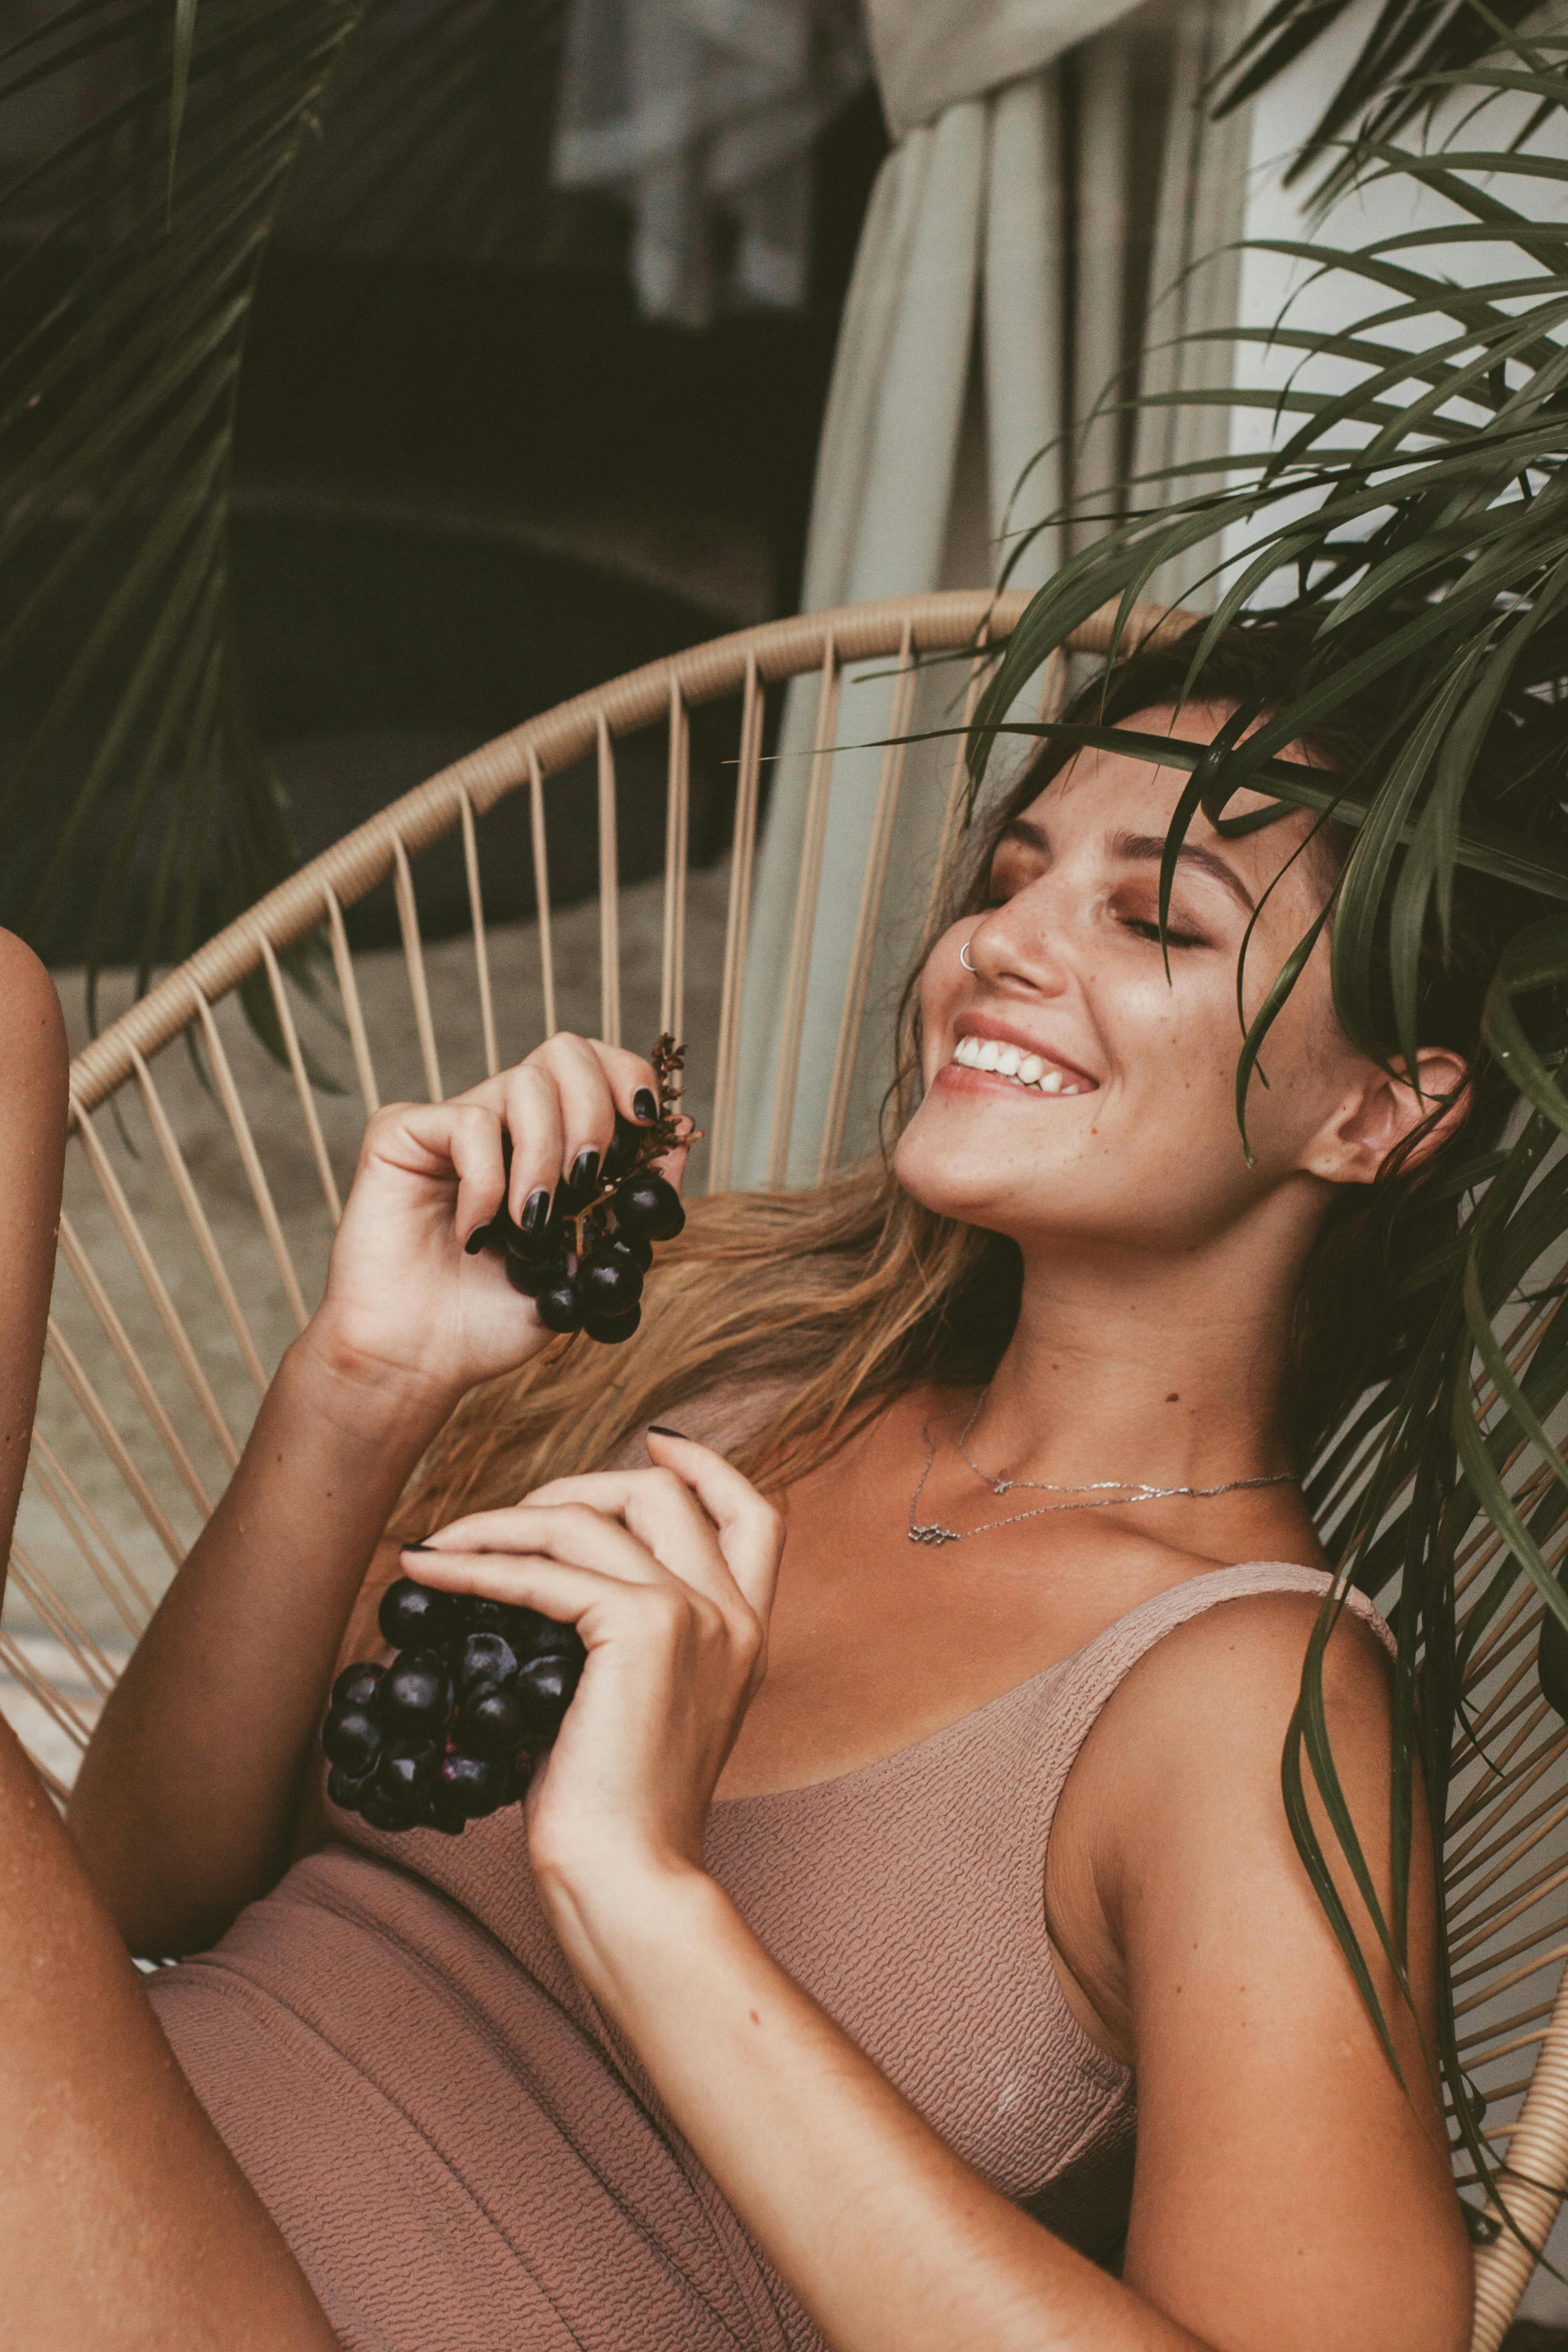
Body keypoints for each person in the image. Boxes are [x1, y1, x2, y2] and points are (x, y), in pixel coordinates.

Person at [0, 618, 1487, 2352]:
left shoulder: (1248, 1696)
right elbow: (122, 1892)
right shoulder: (734, 1373)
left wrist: (645, 1894)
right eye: (1009, 880)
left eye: (1152, 916)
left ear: (1382, 1113)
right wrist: (363, 1387)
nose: (1001, 943)